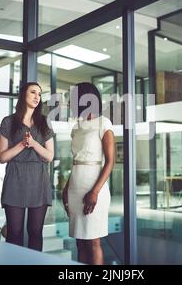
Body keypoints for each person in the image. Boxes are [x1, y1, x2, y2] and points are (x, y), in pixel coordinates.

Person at [62, 82, 115, 265]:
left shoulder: (104, 123)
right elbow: (76, 161)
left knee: (93, 240)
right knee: (80, 241)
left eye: (72, 99)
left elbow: (110, 162)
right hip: (75, 186)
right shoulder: (76, 127)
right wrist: (66, 188)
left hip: (95, 187)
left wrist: (94, 192)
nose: (69, 104)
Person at [0, 82, 54, 250]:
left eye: (40, 94)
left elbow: (50, 156)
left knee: (36, 232)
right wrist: (22, 144)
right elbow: (2, 157)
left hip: (39, 181)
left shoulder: (44, 123)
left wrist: (34, 144)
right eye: (33, 92)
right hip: (15, 179)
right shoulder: (8, 122)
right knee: (14, 233)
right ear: (23, 95)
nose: (37, 97)